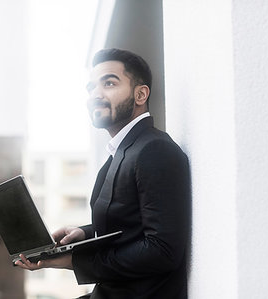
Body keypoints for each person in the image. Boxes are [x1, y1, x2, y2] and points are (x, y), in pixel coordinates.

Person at [16, 48, 190, 299]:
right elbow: (131, 224)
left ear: (140, 94)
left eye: (109, 83)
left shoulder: (155, 150)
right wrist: (85, 234)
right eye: (90, 88)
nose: (95, 95)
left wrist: (73, 260)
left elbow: (162, 250)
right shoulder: (120, 153)